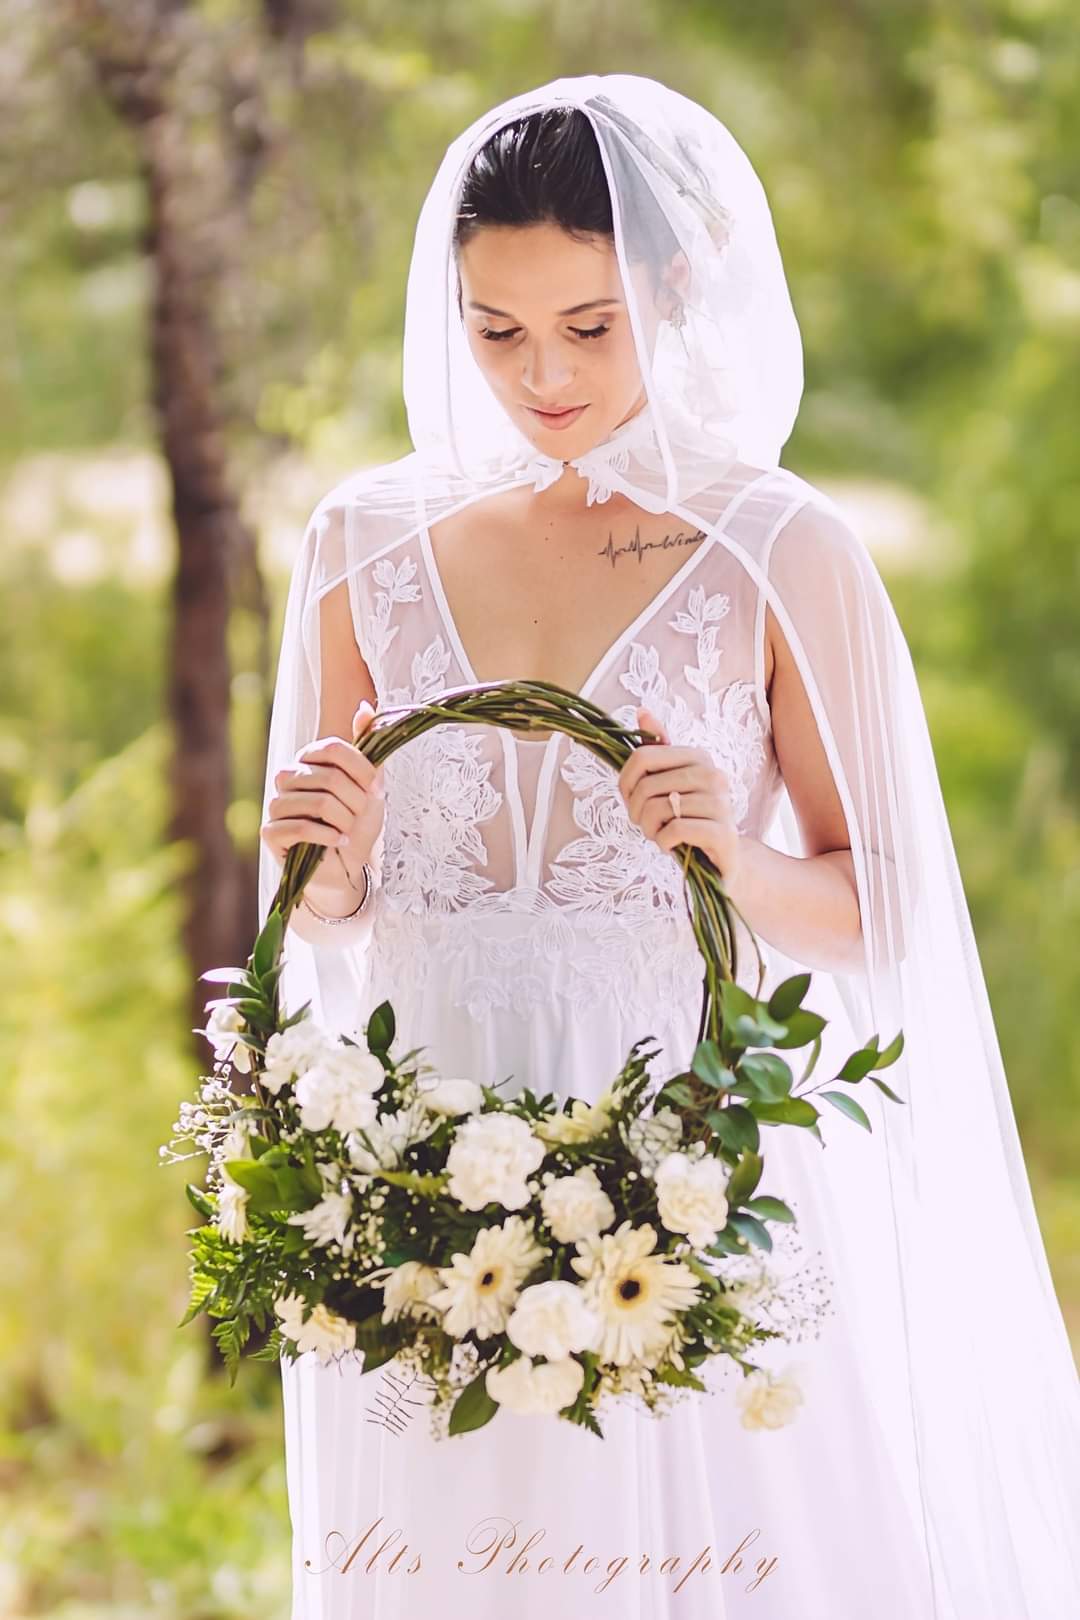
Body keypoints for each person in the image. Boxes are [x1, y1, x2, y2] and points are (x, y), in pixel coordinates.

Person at [257, 75, 1080, 1620]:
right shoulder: (359, 543)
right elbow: (334, 917)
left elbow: (881, 910)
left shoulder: (776, 546)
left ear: (674, 290)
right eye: (497, 331)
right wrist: (333, 855)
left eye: (588, 323)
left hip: (680, 1171)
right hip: (429, 1165)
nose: (543, 373)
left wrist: (735, 861)